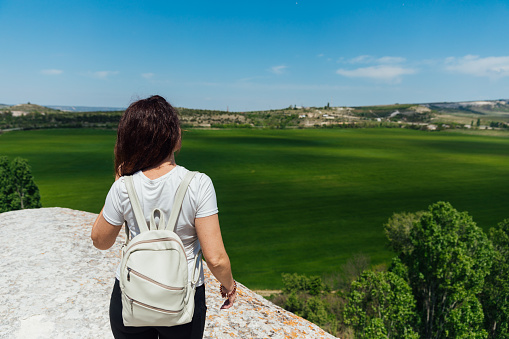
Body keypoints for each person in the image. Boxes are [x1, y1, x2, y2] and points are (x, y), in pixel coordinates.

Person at [91, 95, 236, 339]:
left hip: (130, 296)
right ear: (172, 136)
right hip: (182, 298)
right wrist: (229, 286)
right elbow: (216, 258)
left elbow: (100, 241)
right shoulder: (198, 183)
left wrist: (117, 185)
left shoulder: (123, 186)